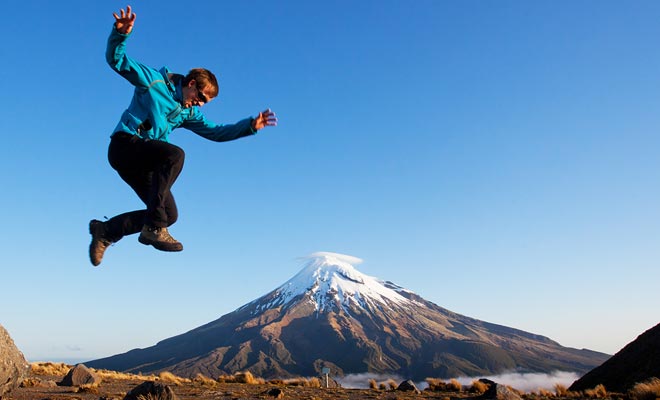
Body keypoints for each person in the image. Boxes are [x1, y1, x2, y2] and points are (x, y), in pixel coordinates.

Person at [89, 6, 277, 266]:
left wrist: (250, 126)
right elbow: (118, 61)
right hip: (125, 145)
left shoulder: (188, 113)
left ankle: (107, 231)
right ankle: (154, 228)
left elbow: (216, 132)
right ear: (190, 85)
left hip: (144, 162)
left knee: (168, 214)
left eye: (204, 103)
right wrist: (120, 35)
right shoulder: (154, 81)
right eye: (200, 98)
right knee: (175, 154)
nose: (199, 104)